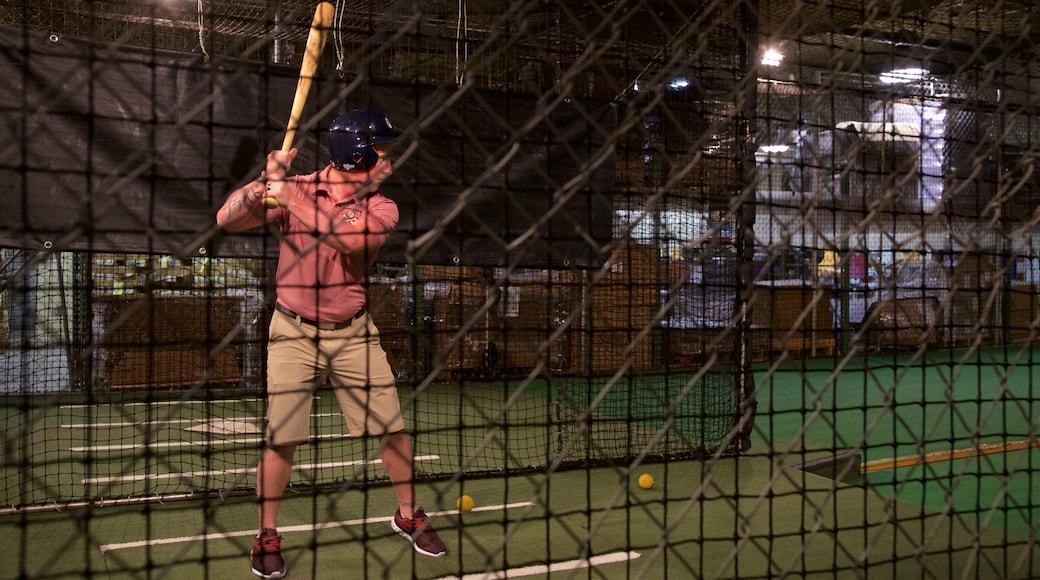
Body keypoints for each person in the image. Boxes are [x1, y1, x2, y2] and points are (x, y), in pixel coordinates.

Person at [216, 108, 445, 579]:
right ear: (357, 153)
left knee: (392, 429)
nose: (390, 161)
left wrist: (290, 198)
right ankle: (266, 534)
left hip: (353, 332)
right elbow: (226, 219)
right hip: (293, 332)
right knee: (282, 437)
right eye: (383, 151)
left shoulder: (383, 206)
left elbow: (347, 240)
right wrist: (264, 185)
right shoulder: (295, 185)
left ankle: (406, 515)